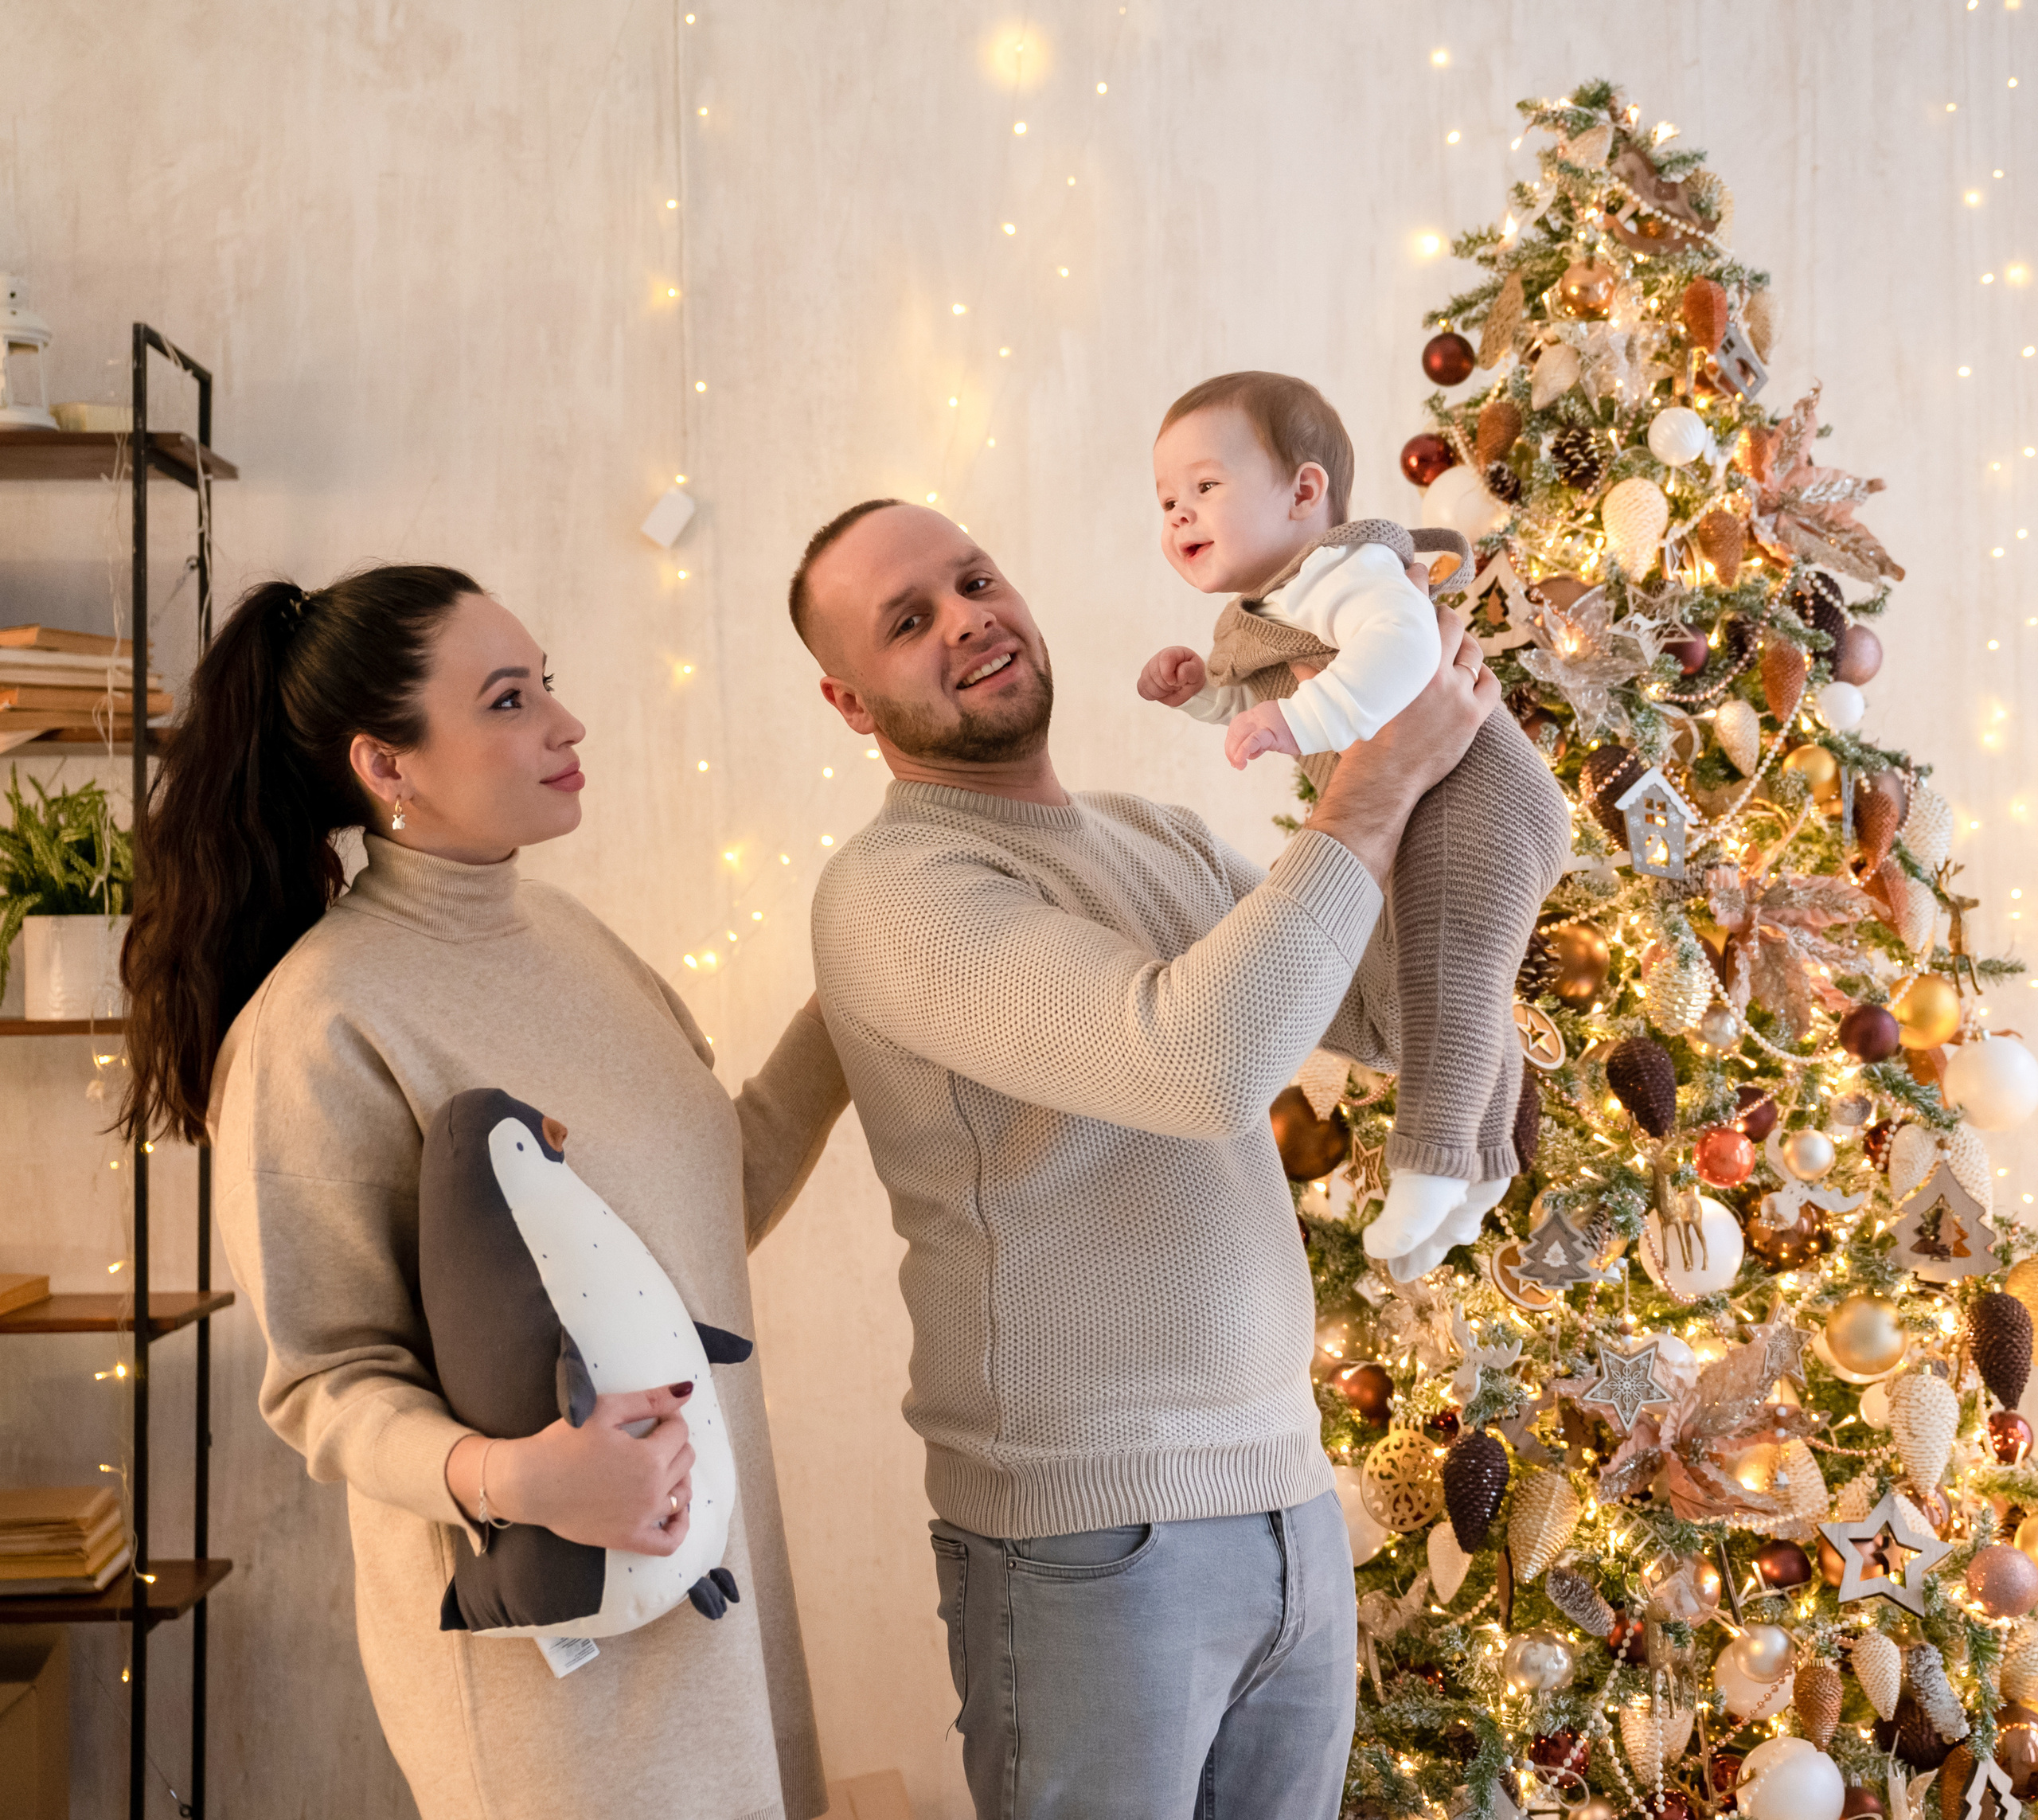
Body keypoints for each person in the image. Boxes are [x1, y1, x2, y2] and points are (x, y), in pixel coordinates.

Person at [787, 498, 1497, 1819]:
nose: (967, 620)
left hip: (1290, 1495)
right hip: (1087, 1543)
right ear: (849, 700)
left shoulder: (1152, 836)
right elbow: (1200, 1063)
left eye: (975, 580)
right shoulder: (892, 888)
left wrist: (1433, 749)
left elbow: (1395, 1015)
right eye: (909, 620)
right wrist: (1372, 787)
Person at [119, 566, 846, 1820]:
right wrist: (520, 1478)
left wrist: (859, 1000)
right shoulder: (321, 1023)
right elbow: (328, 1381)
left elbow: (704, 1217)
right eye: (509, 699)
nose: (566, 723)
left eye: (544, 683)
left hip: (718, 1599)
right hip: (555, 1680)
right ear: (386, 764)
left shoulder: (573, 940)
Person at [1138, 371, 1571, 1279]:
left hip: (1478, 791)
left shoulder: (1349, 570)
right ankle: (1484, 1165)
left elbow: (1405, 650)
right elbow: (1267, 695)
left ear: (1305, 491)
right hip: (1438, 793)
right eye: (1167, 499)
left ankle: (1429, 1161)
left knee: (1446, 969)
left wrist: (1296, 721)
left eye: (1205, 486)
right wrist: (1204, 695)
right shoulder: (1272, 609)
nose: (1180, 514)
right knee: (1467, 979)